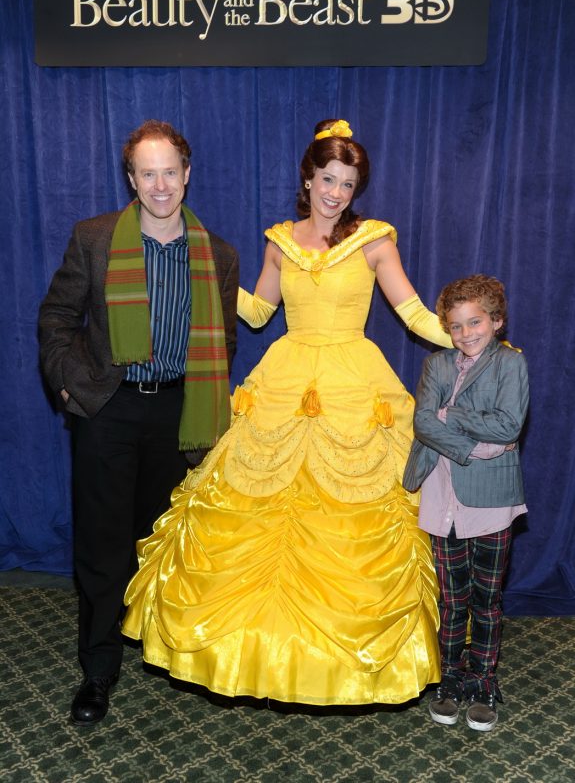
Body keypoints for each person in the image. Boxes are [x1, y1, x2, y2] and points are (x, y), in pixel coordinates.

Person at [123, 118, 452, 706]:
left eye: (347, 184)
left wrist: (471, 343)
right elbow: (256, 313)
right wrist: (202, 279)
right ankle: (250, 651)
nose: (336, 193)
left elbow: (413, 313)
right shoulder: (279, 241)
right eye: (328, 179)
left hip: (352, 381)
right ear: (308, 179)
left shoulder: (374, 240)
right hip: (286, 377)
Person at [38, 120, 239, 726]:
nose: (160, 185)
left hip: (178, 413)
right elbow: (56, 318)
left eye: (169, 172)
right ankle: (98, 670)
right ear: (131, 178)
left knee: (160, 540)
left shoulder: (218, 255)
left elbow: (224, 341)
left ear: (187, 174)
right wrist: (70, 385)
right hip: (109, 407)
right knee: (103, 544)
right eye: (147, 173)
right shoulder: (94, 238)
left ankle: (159, 650)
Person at [403, 274, 529, 731]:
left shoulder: (510, 364)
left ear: (496, 321)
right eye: (455, 326)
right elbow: (423, 422)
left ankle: (483, 681)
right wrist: (473, 446)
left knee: (486, 599)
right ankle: (451, 677)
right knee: (452, 599)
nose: (465, 333)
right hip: (442, 497)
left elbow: (508, 426)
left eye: (475, 322)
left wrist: (451, 415)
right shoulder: (436, 365)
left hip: (492, 500)